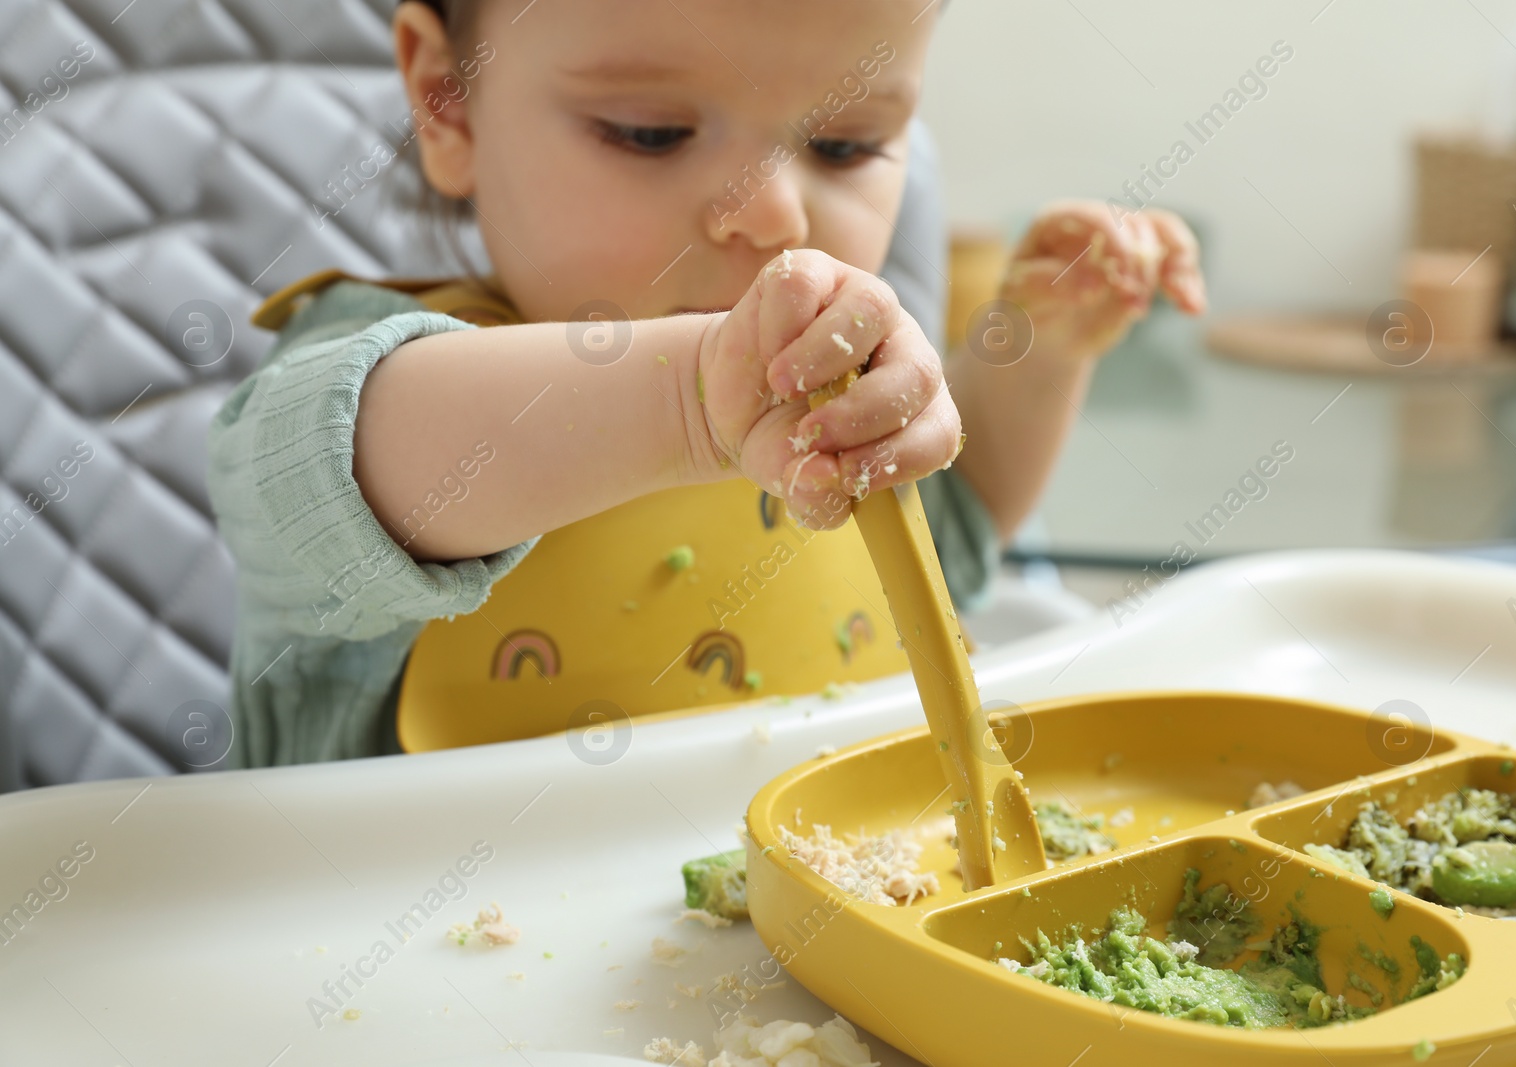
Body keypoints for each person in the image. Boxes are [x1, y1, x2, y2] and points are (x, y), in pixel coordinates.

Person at [207, 0, 1207, 767]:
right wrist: (685, 398)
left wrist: (1038, 353)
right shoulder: (386, 381)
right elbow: (320, 474)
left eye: (844, 144)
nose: (770, 212)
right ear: (448, 100)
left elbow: (948, 546)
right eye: (651, 133)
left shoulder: (818, 387)